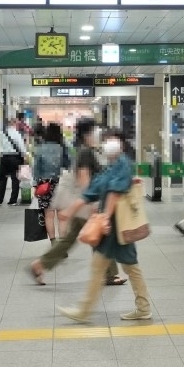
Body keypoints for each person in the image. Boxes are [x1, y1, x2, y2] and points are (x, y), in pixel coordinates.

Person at [57, 129, 151, 322]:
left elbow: (114, 193)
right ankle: (143, 307)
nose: (108, 143)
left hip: (116, 226)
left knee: (104, 267)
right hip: (115, 227)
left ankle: (84, 311)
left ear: (121, 143)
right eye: (106, 140)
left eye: (112, 140)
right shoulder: (113, 164)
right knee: (127, 267)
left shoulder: (123, 163)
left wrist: (105, 217)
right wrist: (69, 211)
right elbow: (93, 191)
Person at [27, 119, 126, 286]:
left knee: (74, 239)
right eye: (95, 131)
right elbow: (83, 180)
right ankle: (109, 274)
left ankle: (40, 265)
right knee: (101, 236)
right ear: (87, 134)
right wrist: (91, 203)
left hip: (86, 203)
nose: (98, 134)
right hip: (87, 204)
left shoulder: (89, 151)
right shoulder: (85, 153)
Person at [33, 123, 65, 242]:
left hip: (44, 184)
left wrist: (35, 185)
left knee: (49, 214)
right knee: (62, 216)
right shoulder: (62, 148)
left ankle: (53, 242)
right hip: (60, 182)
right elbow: (69, 164)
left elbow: (36, 169)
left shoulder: (40, 148)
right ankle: (62, 246)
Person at [0, 116, 27, 206]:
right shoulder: (16, 134)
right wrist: (24, 155)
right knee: (15, 179)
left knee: (2, 179)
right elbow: (21, 146)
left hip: (4, 157)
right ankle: (12, 200)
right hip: (15, 158)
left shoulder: (1, 133)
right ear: (14, 123)